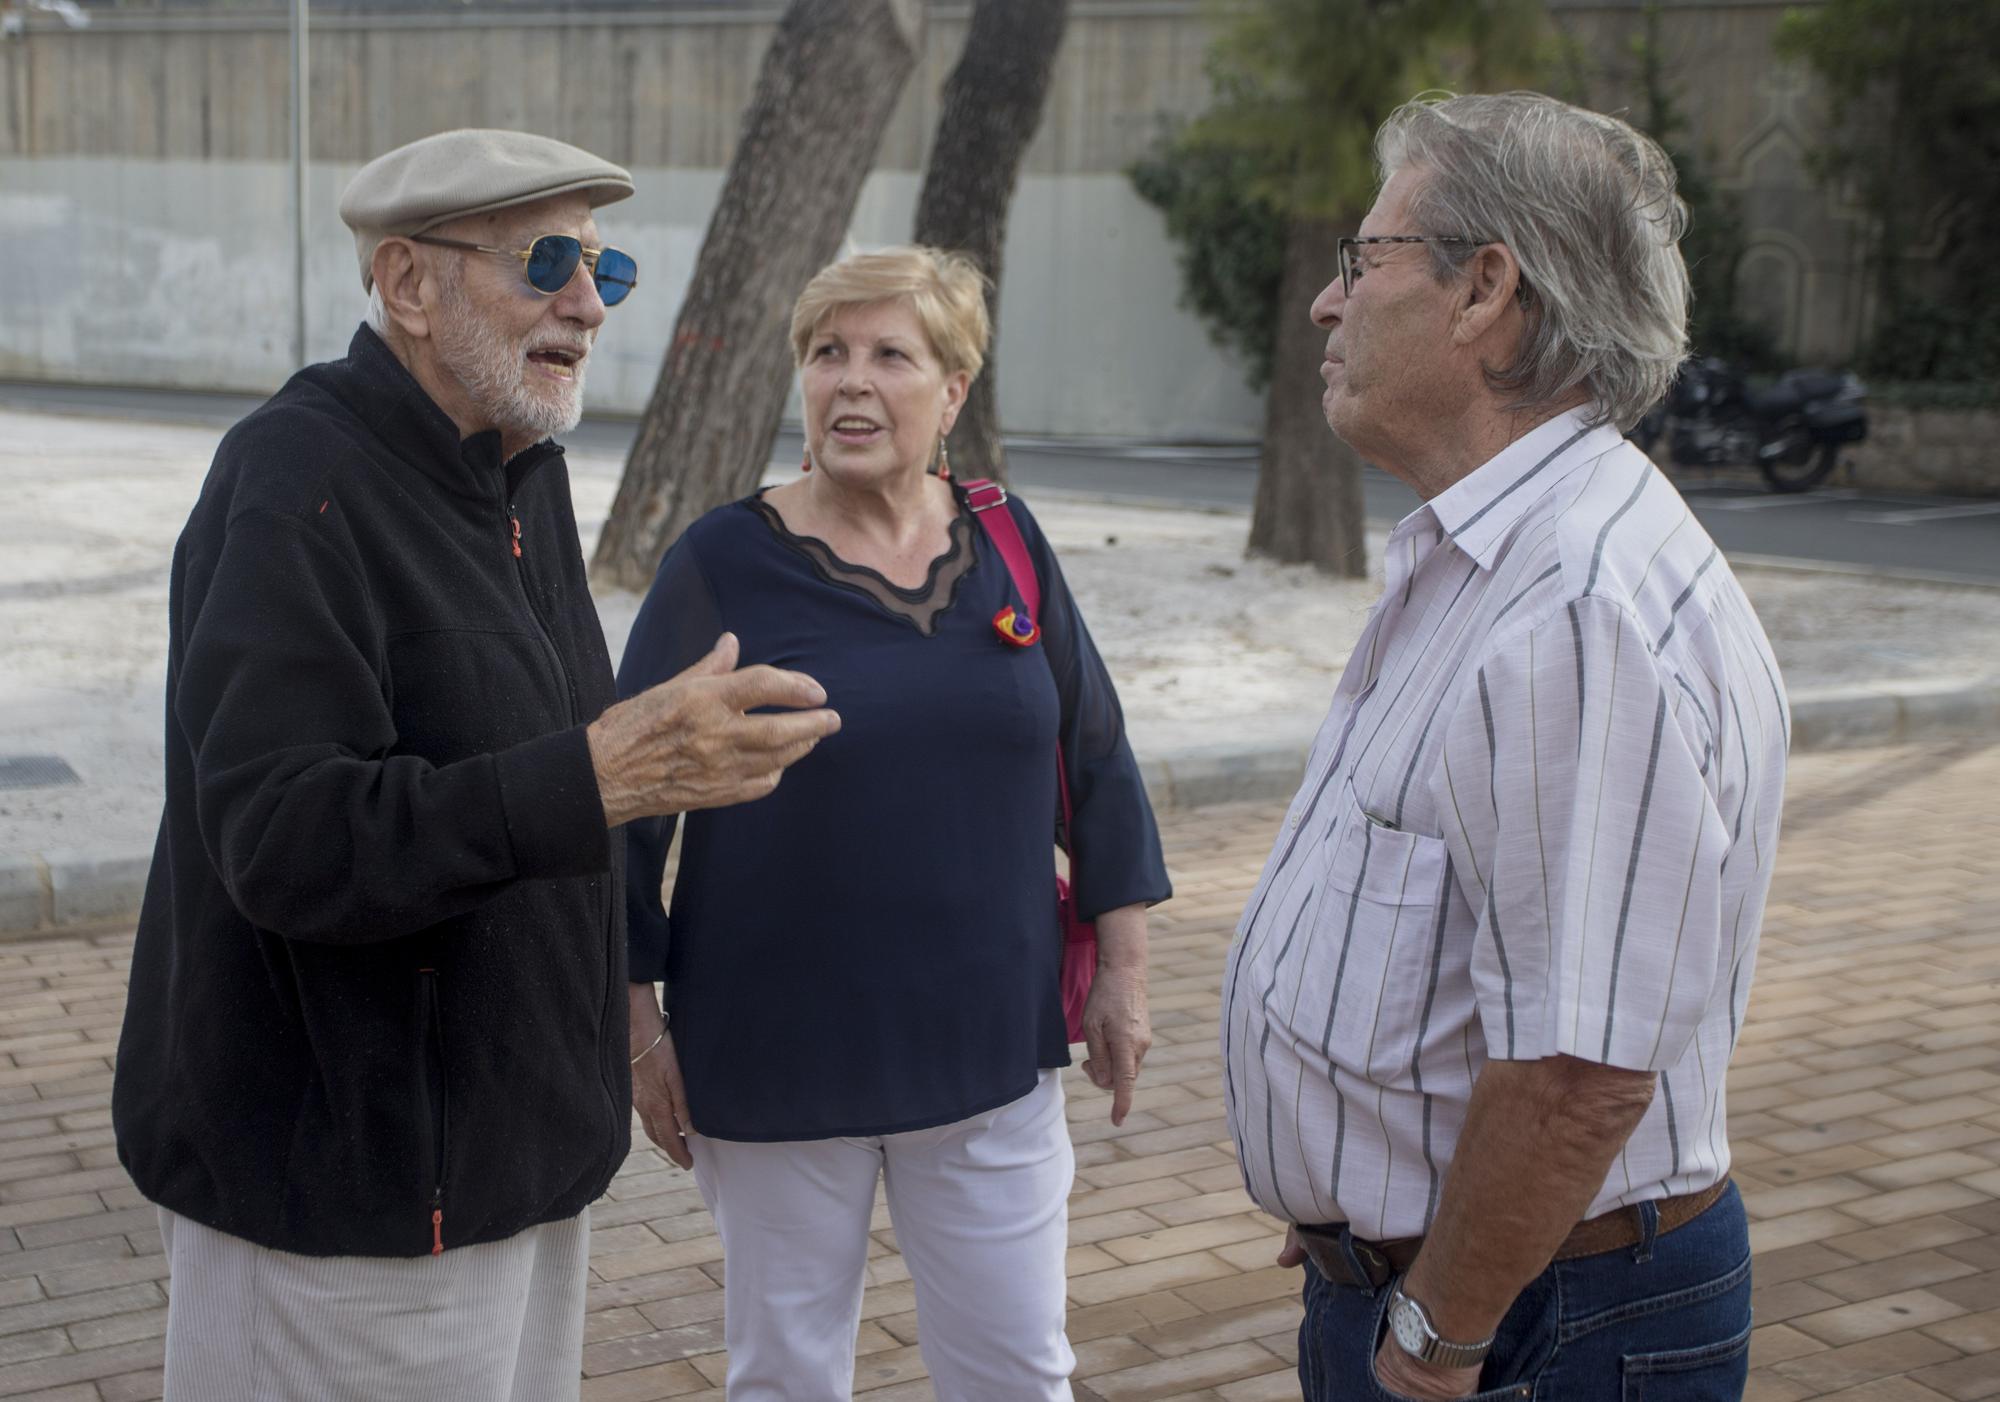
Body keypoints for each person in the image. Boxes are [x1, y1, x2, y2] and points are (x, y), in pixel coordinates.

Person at [111, 128, 840, 1402]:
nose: (583, 304)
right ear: (404, 283)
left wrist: (623, 1009)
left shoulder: (519, 473)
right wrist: (601, 777)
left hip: (521, 1173)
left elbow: (551, 789)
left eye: (603, 272)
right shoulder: (294, 481)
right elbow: (286, 839)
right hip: (350, 1208)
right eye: (545, 260)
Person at [1220, 93, 1789, 1401]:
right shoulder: (1503, 552)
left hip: (1528, 1327)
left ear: (1485, 291)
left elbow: (1579, 1071)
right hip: (1483, 1291)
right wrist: (1342, 1187)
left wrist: (1430, 1339)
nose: (1325, 301)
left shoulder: (1573, 607)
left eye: (1362, 263)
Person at [618, 245, 1172, 1400]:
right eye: (826, 353)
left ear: (952, 391)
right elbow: (626, 810)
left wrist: (1122, 969)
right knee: (784, 1376)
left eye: (888, 355)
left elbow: (1097, 753)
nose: (850, 383)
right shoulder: (721, 562)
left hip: (989, 1048)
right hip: (774, 1057)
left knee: (1017, 1371)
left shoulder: (1004, 538)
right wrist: (632, 1022)